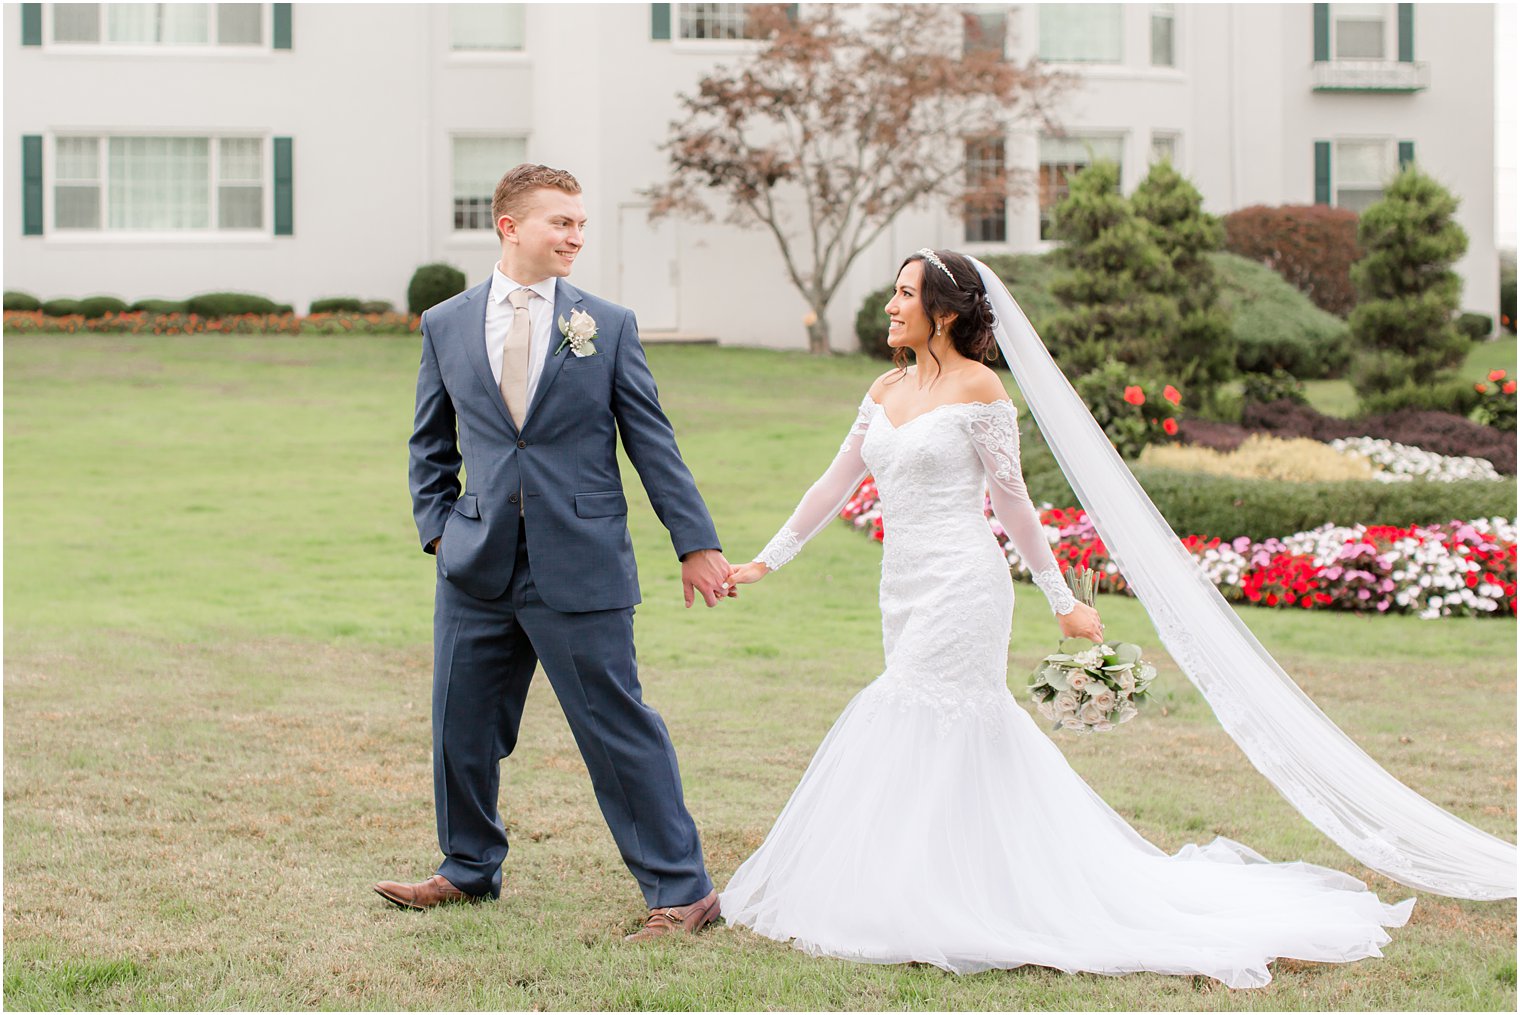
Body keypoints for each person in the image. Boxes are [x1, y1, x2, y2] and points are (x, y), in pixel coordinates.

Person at [718, 248, 1413, 987]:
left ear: (944, 312)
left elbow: (1012, 503)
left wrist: (1062, 600)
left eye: (903, 294)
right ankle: (942, 880)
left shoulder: (981, 388)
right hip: (903, 586)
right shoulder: (884, 388)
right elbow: (836, 479)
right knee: (934, 721)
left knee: (920, 711)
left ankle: (934, 895)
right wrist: (769, 558)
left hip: (963, 585)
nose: (890, 306)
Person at [379, 164, 731, 942]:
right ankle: (468, 867)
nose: (576, 236)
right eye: (560, 222)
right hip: (476, 563)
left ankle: (683, 891)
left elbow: (653, 443)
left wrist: (695, 543)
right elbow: (429, 442)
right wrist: (441, 530)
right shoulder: (446, 322)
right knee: (458, 724)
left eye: (580, 223)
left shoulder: (606, 323)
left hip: (581, 560)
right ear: (509, 227)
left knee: (615, 725)